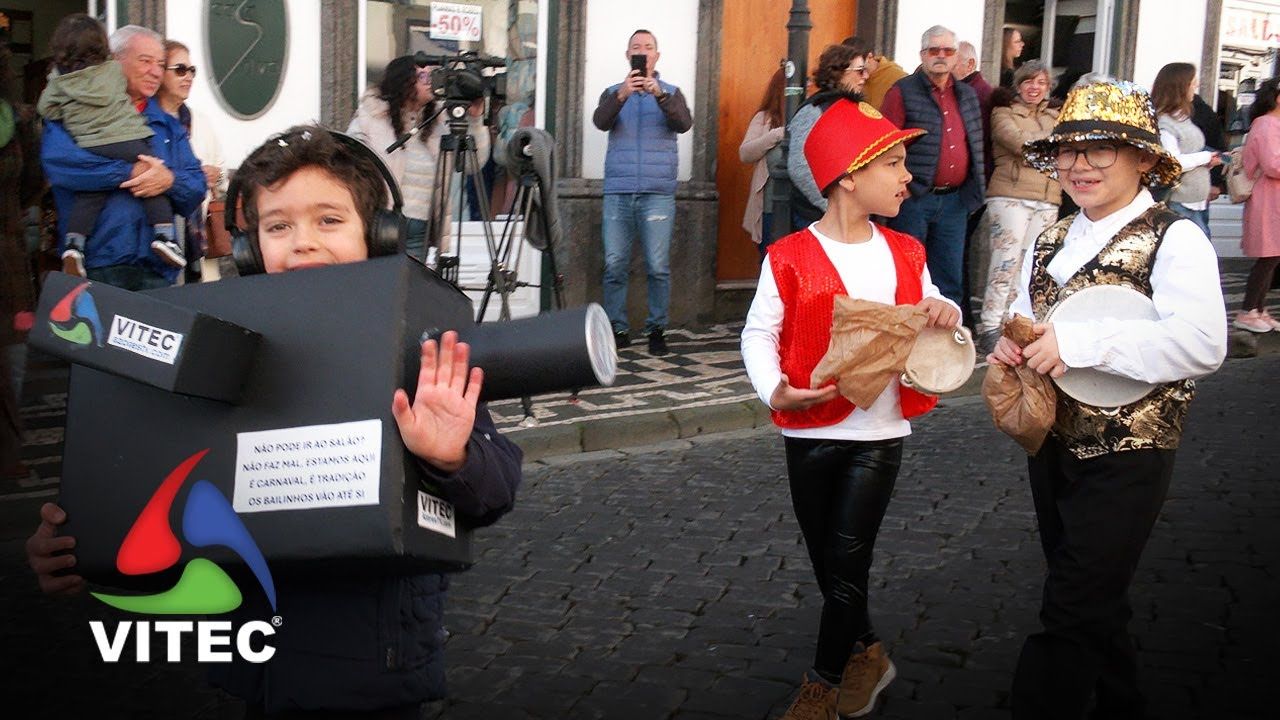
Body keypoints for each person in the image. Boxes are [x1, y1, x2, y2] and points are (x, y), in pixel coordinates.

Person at [25, 125, 523, 718]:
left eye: (329, 220)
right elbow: (166, 488)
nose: (303, 242)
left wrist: (452, 457)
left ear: (380, 234)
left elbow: (495, 489)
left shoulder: (418, 341)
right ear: (250, 247)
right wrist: (82, 546)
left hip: (370, 669)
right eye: (278, 225)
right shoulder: (220, 343)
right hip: (251, 664)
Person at [993, 79, 1227, 720]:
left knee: (1071, 606)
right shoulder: (1053, 237)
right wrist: (1013, 343)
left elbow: (1203, 345)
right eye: (1068, 151)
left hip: (1130, 452)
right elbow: (1025, 312)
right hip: (1052, 443)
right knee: (1097, 598)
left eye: (1101, 151)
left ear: (1144, 159)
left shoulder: (1175, 238)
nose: (1078, 165)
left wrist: (1080, 342)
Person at [742, 98, 960, 720]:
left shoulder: (905, 253)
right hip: (806, 430)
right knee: (830, 563)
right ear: (848, 175)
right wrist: (773, 388)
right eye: (893, 163)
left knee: (846, 564)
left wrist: (948, 312)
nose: (907, 177)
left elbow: (936, 307)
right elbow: (759, 332)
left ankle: (821, 686)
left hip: (878, 432)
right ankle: (868, 653)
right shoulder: (787, 255)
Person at [41, 23, 205, 291]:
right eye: (145, 61)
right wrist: (129, 173)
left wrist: (168, 181)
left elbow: (196, 186)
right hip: (95, 269)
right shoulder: (69, 116)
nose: (155, 71)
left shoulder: (167, 125)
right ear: (114, 61)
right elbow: (62, 168)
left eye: (160, 64)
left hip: (155, 273)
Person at [592, 28, 693, 356]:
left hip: (657, 192)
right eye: (637, 48)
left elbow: (684, 123)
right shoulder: (612, 92)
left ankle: (657, 328)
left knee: (658, 266)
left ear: (657, 56)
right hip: (618, 191)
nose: (643, 52)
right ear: (628, 55)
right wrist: (622, 93)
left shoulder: (671, 91)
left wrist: (659, 94)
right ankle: (618, 328)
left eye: (648, 47)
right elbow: (600, 121)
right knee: (615, 264)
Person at [881, 25, 986, 309]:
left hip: (955, 201)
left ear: (956, 57)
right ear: (922, 55)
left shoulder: (966, 94)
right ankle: (909, 340)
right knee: (909, 273)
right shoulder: (901, 91)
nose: (941, 56)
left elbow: (976, 142)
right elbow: (886, 144)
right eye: (933, 50)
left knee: (950, 278)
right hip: (914, 198)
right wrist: (898, 188)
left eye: (948, 51)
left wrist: (976, 190)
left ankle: (946, 346)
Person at [346, 54, 490, 258]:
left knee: (409, 287)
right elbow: (348, 166)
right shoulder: (371, 117)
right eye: (422, 76)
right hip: (381, 226)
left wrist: (475, 121)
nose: (430, 81)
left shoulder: (439, 121)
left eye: (433, 75)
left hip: (420, 229)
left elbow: (472, 164)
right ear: (403, 81)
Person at [976, 60, 1061, 354]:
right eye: (1028, 82)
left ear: (1048, 87)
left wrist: (1049, 147)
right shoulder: (1003, 111)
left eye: (1040, 83)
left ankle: (1013, 324)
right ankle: (989, 325)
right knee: (1005, 263)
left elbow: (1065, 147)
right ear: (1018, 85)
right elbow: (1019, 144)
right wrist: (1051, 146)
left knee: (1030, 267)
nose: (1034, 88)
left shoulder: (1056, 114)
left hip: (1048, 197)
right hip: (1010, 196)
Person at [1, 36, 42, 481]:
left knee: (12, 359)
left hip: (8, 260)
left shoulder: (17, 119)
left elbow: (34, 182)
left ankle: (7, 451)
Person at [156, 39, 225, 283]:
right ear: (160, 73)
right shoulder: (146, 122)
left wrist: (216, 175)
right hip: (164, 230)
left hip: (200, 236)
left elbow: (223, 171)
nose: (189, 77)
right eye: (180, 70)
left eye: (192, 70)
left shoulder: (201, 121)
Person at [786, 41, 869, 230]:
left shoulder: (858, 109)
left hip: (851, 212)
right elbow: (799, 166)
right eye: (859, 71)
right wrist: (832, 205)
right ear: (839, 72)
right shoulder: (814, 110)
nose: (865, 77)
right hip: (817, 214)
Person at [1152, 62, 1222, 237]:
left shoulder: (1182, 118)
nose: (1196, 85)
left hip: (1195, 201)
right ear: (1180, 87)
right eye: (1193, 82)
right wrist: (1206, 157)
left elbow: (1190, 152)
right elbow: (1173, 162)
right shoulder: (1166, 123)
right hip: (1179, 202)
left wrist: (1209, 161)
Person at [1236, 76, 1280, 333]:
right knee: (1268, 257)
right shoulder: (1265, 124)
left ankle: (1258, 309)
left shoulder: (1271, 124)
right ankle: (1248, 310)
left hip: (1273, 197)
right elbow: (1273, 164)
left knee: (1273, 257)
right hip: (1268, 198)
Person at [739, 68, 786, 258]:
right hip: (770, 208)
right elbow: (745, 153)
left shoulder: (808, 117)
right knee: (769, 262)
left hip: (800, 209)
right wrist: (775, 135)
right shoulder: (764, 119)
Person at [860, 43, 908, 110]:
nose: (864, 77)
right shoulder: (848, 78)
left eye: (860, 70)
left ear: (869, 56)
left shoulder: (898, 76)